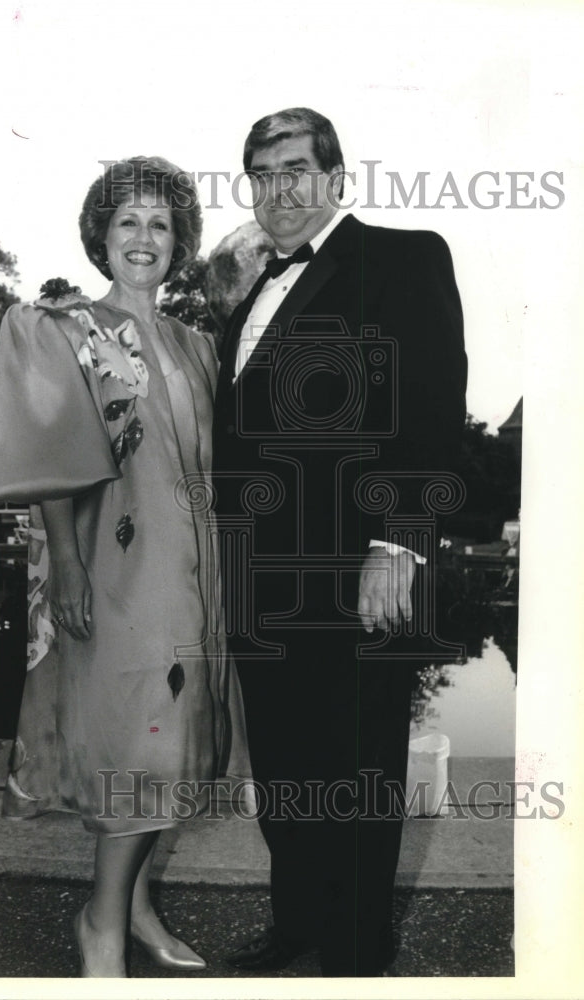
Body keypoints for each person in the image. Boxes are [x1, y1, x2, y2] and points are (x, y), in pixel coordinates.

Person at [0, 156, 246, 977]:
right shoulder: (63, 328)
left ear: (179, 240)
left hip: (195, 572)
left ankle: (135, 904)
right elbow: (52, 454)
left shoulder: (195, 344)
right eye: (127, 222)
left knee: (178, 738)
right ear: (100, 235)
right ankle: (100, 924)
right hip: (115, 571)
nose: (144, 238)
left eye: (160, 223)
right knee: (135, 742)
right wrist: (71, 572)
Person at [212, 108, 467, 976]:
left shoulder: (402, 257)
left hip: (353, 567)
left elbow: (430, 407)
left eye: (293, 169)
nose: (276, 189)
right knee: (285, 770)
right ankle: (299, 928)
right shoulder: (247, 289)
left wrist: (398, 543)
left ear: (334, 178)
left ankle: (355, 959)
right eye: (260, 173)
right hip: (258, 575)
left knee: (355, 772)